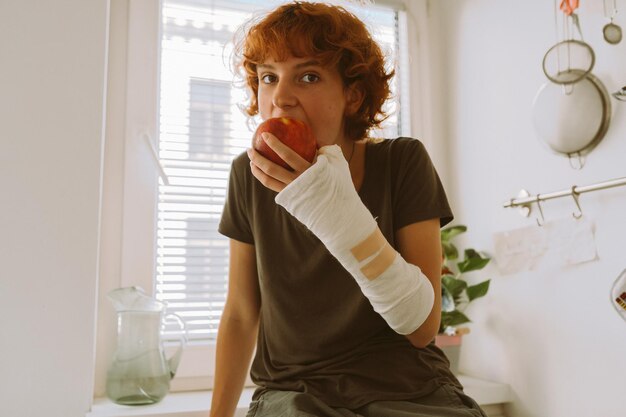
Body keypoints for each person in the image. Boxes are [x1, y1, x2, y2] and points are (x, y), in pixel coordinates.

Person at [211, 2, 487, 416]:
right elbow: (240, 312)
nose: (281, 97)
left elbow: (423, 326)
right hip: (295, 391)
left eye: (308, 76)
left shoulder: (402, 162)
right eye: (269, 77)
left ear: (353, 95)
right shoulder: (248, 176)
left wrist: (341, 217)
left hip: (409, 388)